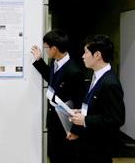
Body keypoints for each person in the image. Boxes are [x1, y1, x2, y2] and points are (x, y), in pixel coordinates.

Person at [31, 29, 85, 162]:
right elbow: (51, 79)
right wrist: (38, 60)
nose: (46, 51)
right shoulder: (55, 64)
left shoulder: (74, 71)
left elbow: (79, 103)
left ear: (54, 48)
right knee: (54, 157)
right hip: (54, 122)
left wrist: (76, 131)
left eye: (46, 48)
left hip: (67, 126)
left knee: (64, 158)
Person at [70, 34, 125, 162]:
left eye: (86, 52)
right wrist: (81, 113)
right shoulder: (95, 76)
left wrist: (85, 119)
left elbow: (116, 119)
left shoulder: (110, 83)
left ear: (97, 55)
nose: (83, 56)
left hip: (99, 148)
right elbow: (96, 106)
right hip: (88, 144)